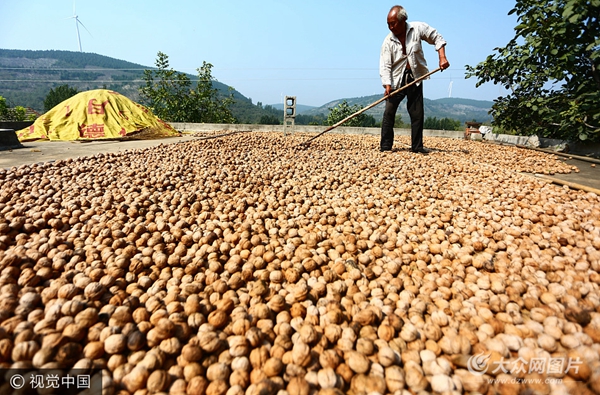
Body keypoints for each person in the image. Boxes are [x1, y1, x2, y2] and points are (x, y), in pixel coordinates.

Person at [379, 5, 450, 153]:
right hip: (395, 80)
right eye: (388, 24)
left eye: (393, 23)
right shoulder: (388, 41)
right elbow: (385, 65)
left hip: (415, 77)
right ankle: (385, 147)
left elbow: (437, 38)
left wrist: (442, 57)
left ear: (403, 20)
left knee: (417, 113)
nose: (391, 27)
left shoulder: (417, 28)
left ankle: (417, 147)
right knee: (389, 112)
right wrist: (387, 85)